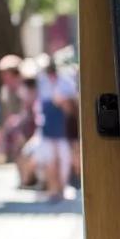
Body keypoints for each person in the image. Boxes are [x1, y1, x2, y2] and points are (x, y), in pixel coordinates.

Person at [35, 55, 76, 200]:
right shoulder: (42, 82)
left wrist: (62, 101)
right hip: (48, 125)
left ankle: (62, 187)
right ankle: (53, 189)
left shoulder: (65, 81)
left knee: (64, 158)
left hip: (62, 126)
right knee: (49, 159)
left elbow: (71, 105)